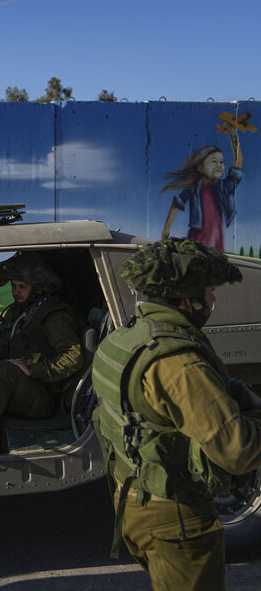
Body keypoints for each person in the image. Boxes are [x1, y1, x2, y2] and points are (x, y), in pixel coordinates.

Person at [92, 238, 261, 591]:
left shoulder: (126, 338)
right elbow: (238, 450)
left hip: (134, 499)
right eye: (209, 292)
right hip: (176, 515)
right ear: (188, 301)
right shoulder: (180, 361)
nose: (212, 301)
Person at [0, 252, 84, 459]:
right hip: (15, 390)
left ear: (38, 288)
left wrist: (34, 370)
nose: (16, 292)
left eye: (22, 287)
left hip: (41, 396)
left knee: (3, 371)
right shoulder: (16, 312)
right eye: (14, 286)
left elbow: (74, 356)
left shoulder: (53, 315)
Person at [161, 122, 243, 252]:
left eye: (221, 162)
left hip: (216, 241)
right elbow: (177, 203)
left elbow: (237, 166)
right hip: (198, 240)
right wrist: (166, 229)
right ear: (200, 167)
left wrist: (234, 137)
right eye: (213, 162)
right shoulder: (194, 188)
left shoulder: (222, 188)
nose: (219, 165)